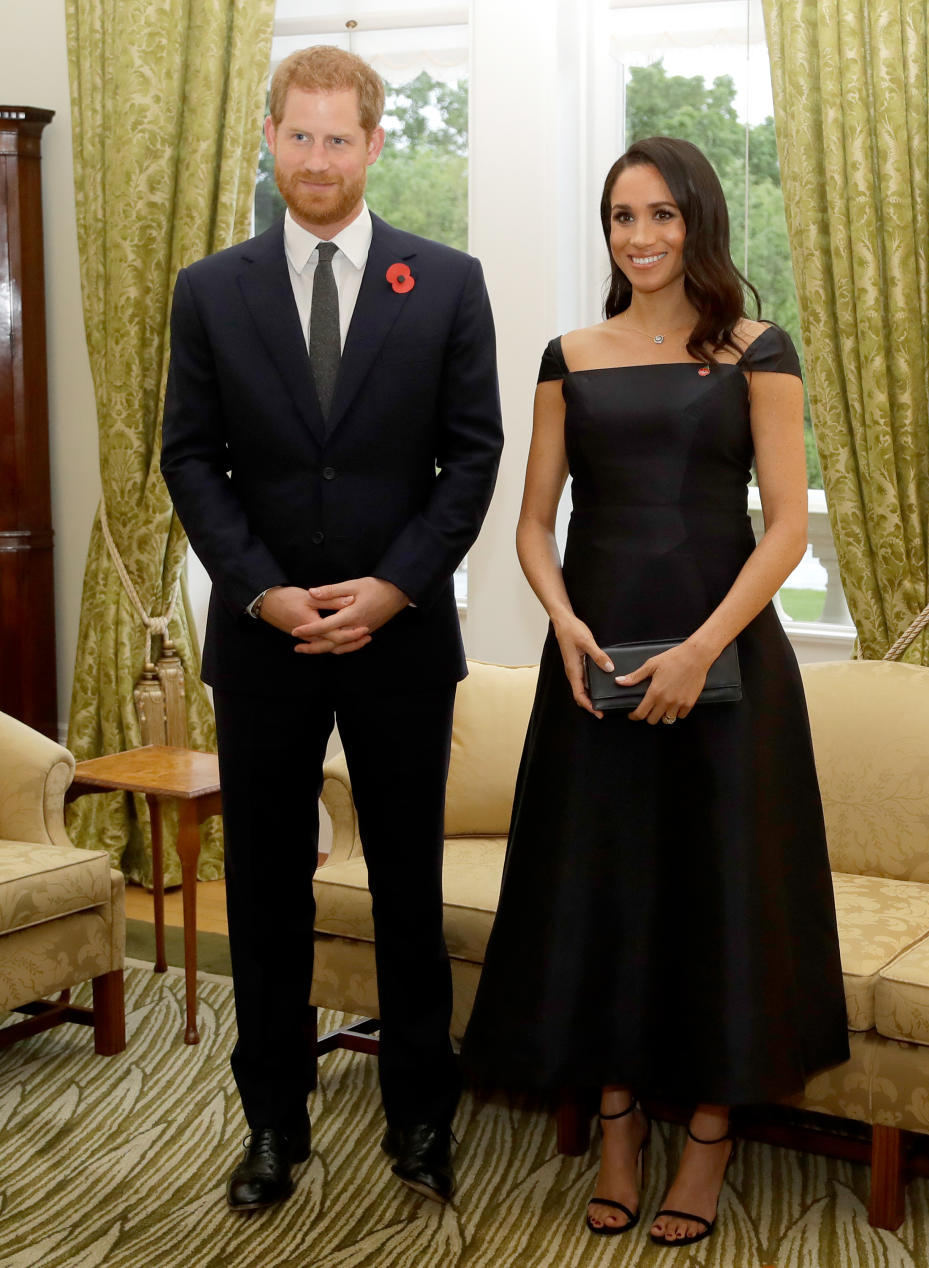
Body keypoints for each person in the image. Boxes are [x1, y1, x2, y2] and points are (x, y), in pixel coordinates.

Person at [461, 136, 849, 1247]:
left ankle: (711, 1136)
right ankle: (621, 1124)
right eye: (623, 216)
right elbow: (535, 523)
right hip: (596, 671)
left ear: (699, 222)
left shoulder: (755, 350)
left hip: (727, 668)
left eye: (663, 215)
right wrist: (567, 625)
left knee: (718, 899)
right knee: (608, 895)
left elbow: (782, 528)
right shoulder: (568, 353)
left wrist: (696, 648)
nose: (641, 237)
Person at [161, 46, 502, 1211]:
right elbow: (188, 460)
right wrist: (260, 589)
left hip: (401, 640)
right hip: (262, 642)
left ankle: (419, 1117)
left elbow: (475, 459)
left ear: (373, 143)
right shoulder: (209, 289)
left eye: (338, 138)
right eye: (297, 136)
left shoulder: (446, 282)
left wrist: (394, 586)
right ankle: (272, 1124)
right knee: (266, 892)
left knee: (407, 885)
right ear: (269, 136)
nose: (317, 159)